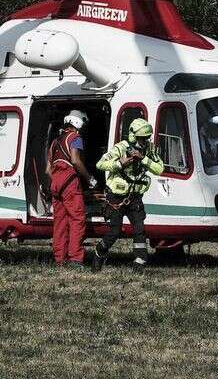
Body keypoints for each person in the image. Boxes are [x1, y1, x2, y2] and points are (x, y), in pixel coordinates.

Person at [92, 117, 165, 271]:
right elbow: (100, 164)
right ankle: (99, 253)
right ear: (133, 135)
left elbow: (159, 169)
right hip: (116, 198)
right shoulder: (120, 148)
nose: (144, 141)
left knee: (140, 230)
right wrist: (120, 164)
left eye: (146, 138)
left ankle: (139, 262)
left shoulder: (150, 150)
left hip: (135, 198)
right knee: (115, 232)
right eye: (142, 138)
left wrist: (143, 159)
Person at [45, 110, 98, 267]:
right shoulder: (75, 138)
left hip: (55, 184)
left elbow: (47, 170)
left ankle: (60, 259)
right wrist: (89, 179)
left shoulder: (55, 142)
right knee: (77, 220)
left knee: (60, 223)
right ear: (78, 123)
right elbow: (75, 160)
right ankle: (75, 258)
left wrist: (57, 181)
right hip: (69, 184)